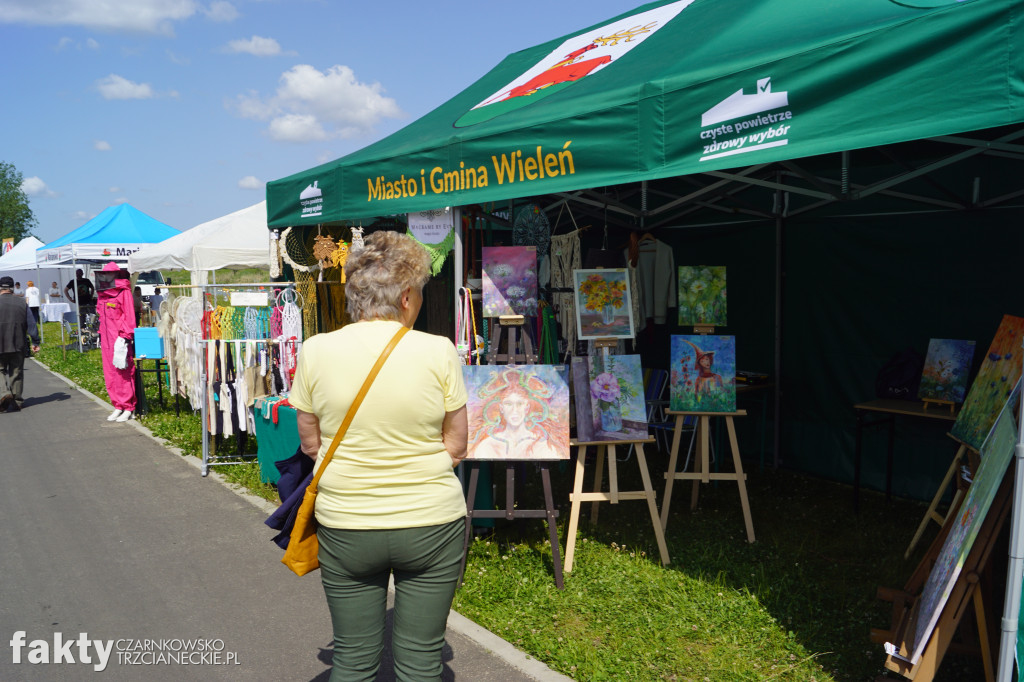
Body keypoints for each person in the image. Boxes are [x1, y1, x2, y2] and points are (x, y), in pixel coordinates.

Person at [289, 231, 468, 682]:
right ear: (406, 297)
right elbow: (457, 445)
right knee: (422, 660)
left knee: (352, 658)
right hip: (430, 521)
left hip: (347, 523)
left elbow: (310, 445)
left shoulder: (315, 351)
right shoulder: (438, 351)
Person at [468, 366, 563, 459]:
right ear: (501, 408)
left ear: (527, 407)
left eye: (520, 403)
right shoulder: (488, 445)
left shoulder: (540, 444)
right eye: (508, 404)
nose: (515, 410)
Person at [97, 263, 137, 422]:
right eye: (105, 274)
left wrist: (126, 336)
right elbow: (100, 315)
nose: (106, 277)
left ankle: (128, 406)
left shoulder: (123, 292)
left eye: (109, 274)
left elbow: (129, 314)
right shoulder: (102, 294)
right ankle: (118, 405)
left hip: (119, 338)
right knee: (110, 372)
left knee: (123, 371)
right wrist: (100, 334)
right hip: (106, 338)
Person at [0, 275, 40, 412]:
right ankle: (16, 401)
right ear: (12, 289)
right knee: (16, 372)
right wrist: (35, 341)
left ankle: (4, 393)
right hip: (18, 343)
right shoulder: (22, 302)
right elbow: (31, 323)